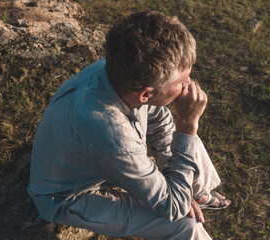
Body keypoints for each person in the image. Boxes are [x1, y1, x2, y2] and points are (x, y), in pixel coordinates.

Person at [28, 11, 231, 239]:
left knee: (184, 149)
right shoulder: (114, 138)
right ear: (145, 93)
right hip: (67, 197)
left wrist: (171, 172)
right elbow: (172, 208)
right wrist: (187, 125)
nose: (188, 86)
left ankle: (197, 192)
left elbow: (160, 119)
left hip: (93, 158)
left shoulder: (122, 71)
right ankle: (191, 190)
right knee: (187, 225)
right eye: (182, 81)